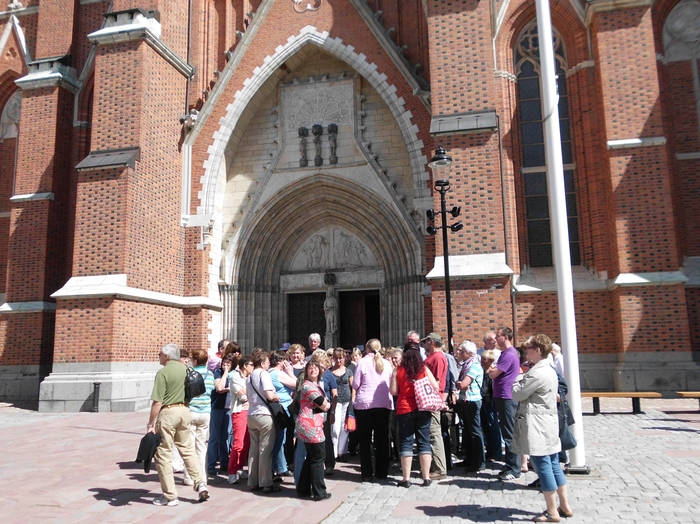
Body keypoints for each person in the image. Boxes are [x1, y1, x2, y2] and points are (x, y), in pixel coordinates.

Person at [512, 335, 574, 522]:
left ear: (538, 350)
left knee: (543, 465)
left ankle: (552, 511)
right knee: (553, 463)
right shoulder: (548, 369)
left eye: (529, 348)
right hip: (547, 422)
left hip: (537, 423)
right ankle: (564, 505)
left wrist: (518, 378)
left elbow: (517, 393)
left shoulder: (537, 373)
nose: (526, 351)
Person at [146, 343, 209, 506]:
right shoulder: (186, 369)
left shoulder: (163, 372)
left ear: (167, 356)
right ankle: (200, 482)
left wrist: (150, 423)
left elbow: (157, 402)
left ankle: (170, 495)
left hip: (168, 412)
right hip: (184, 410)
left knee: (163, 453)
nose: (159, 356)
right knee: (188, 449)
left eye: (160, 354)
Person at [390, 342, 440, 487]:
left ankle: (406, 479)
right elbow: (435, 387)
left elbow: (393, 391)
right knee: (424, 441)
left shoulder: (398, 370)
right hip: (423, 407)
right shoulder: (423, 368)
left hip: (405, 408)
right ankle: (426, 477)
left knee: (406, 442)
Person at [352, 338, 393, 481]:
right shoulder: (387, 364)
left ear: (367, 349)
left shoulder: (362, 362)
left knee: (365, 440)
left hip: (365, 405)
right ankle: (382, 472)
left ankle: (367, 473)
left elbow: (356, 384)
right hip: (383, 404)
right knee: (382, 440)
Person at [295, 359, 333, 501]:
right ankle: (319, 492)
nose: (313, 370)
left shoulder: (315, 385)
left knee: (312, 457)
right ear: (306, 371)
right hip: (310, 426)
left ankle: (303, 489)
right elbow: (323, 405)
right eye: (310, 368)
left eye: (316, 368)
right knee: (318, 458)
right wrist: (327, 404)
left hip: (313, 424)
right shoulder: (307, 386)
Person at [488, 326, 521, 481]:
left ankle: (513, 468)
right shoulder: (506, 354)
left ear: (506, 337)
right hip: (502, 396)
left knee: (509, 433)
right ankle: (511, 465)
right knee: (507, 431)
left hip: (507, 397)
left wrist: (490, 369)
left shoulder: (508, 355)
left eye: (498, 336)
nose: (496, 339)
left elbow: (494, 373)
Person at [246, 350, 281, 493]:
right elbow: (269, 394)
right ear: (262, 363)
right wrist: (276, 397)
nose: (268, 364)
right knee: (265, 449)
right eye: (267, 362)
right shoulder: (263, 374)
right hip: (264, 415)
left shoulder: (249, 377)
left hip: (251, 414)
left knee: (254, 449)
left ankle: (253, 481)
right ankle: (266, 482)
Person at [183, 348, 216, 487]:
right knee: (202, 446)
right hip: (205, 412)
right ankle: (203, 476)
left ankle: (190, 477)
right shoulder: (210, 374)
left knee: (189, 446)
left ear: (195, 360)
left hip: (192, 410)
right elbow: (211, 390)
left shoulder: (191, 373)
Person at [455, 341, 485, 472]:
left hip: (473, 400)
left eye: (462, 351)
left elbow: (463, 384)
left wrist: (459, 383)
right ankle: (469, 458)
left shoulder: (474, 366)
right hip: (465, 400)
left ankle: (479, 461)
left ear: (470, 353)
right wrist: (460, 383)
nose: (460, 353)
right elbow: (461, 383)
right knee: (467, 431)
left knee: (474, 431)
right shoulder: (466, 365)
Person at [422, 332, 448, 480]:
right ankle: (436, 466)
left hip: (431, 399)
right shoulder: (433, 357)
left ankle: (440, 468)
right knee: (431, 433)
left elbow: (436, 382)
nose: (425, 345)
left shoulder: (438, 357)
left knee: (434, 433)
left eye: (426, 342)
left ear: (431, 342)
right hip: (429, 399)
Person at [269, 349, 296, 478]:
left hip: (278, 408)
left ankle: (281, 466)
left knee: (280, 438)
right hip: (282, 408)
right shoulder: (277, 373)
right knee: (280, 439)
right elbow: (298, 384)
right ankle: (276, 468)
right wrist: (290, 372)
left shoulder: (269, 372)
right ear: (281, 361)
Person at [227, 354, 251, 484]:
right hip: (240, 411)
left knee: (246, 443)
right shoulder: (235, 378)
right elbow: (243, 396)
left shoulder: (251, 378)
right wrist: (250, 393)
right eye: (251, 365)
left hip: (250, 411)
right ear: (245, 366)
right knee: (238, 443)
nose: (253, 367)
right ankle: (232, 471)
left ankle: (240, 467)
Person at [208, 353, 233, 475]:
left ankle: (224, 463)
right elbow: (219, 388)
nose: (225, 365)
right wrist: (226, 373)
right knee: (214, 437)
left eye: (228, 363)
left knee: (225, 437)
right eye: (224, 363)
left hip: (229, 408)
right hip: (218, 407)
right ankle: (211, 465)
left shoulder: (236, 373)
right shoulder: (218, 372)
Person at [479, 349, 503, 462]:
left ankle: (496, 452)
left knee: (493, 426)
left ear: (491, 360)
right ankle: (489, 450)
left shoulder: (493, 372)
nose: (482, 361)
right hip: (482, 401)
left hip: (491, 402)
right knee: (485, 426)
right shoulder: (481, 371)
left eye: (484, 359)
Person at [330, 348, 352, 462]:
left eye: (340, 358)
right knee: (335, 428)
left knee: (344, 428)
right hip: (335, 402)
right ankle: (334, 453)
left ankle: (342, 451)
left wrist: (353, 401)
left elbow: (353, 387)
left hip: (347, 401)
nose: (338, 360)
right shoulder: (330, 371)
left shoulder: (348, 371)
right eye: (336, 358)